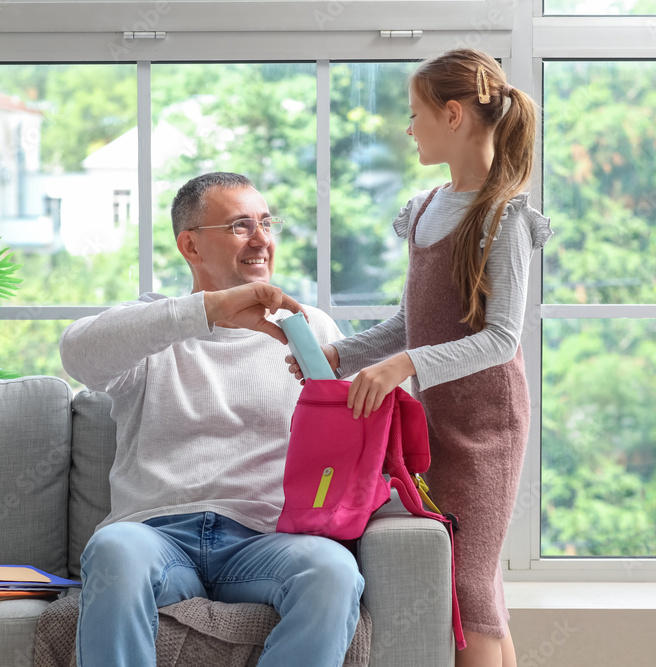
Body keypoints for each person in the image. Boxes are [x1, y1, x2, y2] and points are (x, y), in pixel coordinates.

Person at [287, 50, 552, 667]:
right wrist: (340, 353)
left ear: (453, 115)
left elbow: (500, 340)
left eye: (415, 114)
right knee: (470, 581)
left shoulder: (504, 216)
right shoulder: (428, 208)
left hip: (488, 423)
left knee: (468, 582)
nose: (408, 128)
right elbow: (412, 323)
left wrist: (404, 367)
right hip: (436, 420)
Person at [59, 172, 362, 667]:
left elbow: (360, 431)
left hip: (267, 541)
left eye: (267, 223)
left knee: (333, 569)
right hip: (156, 536)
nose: (263, 239)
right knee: (113, 549)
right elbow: (78, 352)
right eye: (241, 226)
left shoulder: (311, 329)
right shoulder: (153, 328)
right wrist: (210, 310)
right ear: (191, 246)